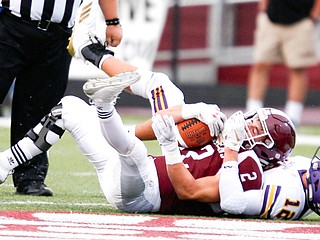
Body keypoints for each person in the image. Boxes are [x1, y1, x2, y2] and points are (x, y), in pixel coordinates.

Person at [0, 69, 309, 218]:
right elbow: (151, 128)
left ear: (264, 146)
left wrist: (172, 148)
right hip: (137, 170)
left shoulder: (244, 171)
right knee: (67, 107)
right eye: (253, 117)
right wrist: (190, 112)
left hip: (144, 195)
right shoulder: (222, 131)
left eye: (256, 126)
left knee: (132, 152)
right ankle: (5, 163)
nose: (248, 122)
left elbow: (189, 190)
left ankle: (106, 107)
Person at [0, 0, 122, 196]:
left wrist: (112, 21)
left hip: (58, 35)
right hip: (10, 25)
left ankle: (30, 177)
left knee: (39, 108)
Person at [153, 107, 320, 219]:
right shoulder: (305, 172)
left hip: (211, 189)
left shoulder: (287, 195)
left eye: (258, 129)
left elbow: (232, 203)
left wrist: (232, 148)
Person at [246, 0, 320, 126]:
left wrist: (314, 17)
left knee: (298, 68)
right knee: (260, 64)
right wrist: (263, 8)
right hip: (271, 20)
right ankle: (252, 112)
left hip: (300, 22)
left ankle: (293, 116)